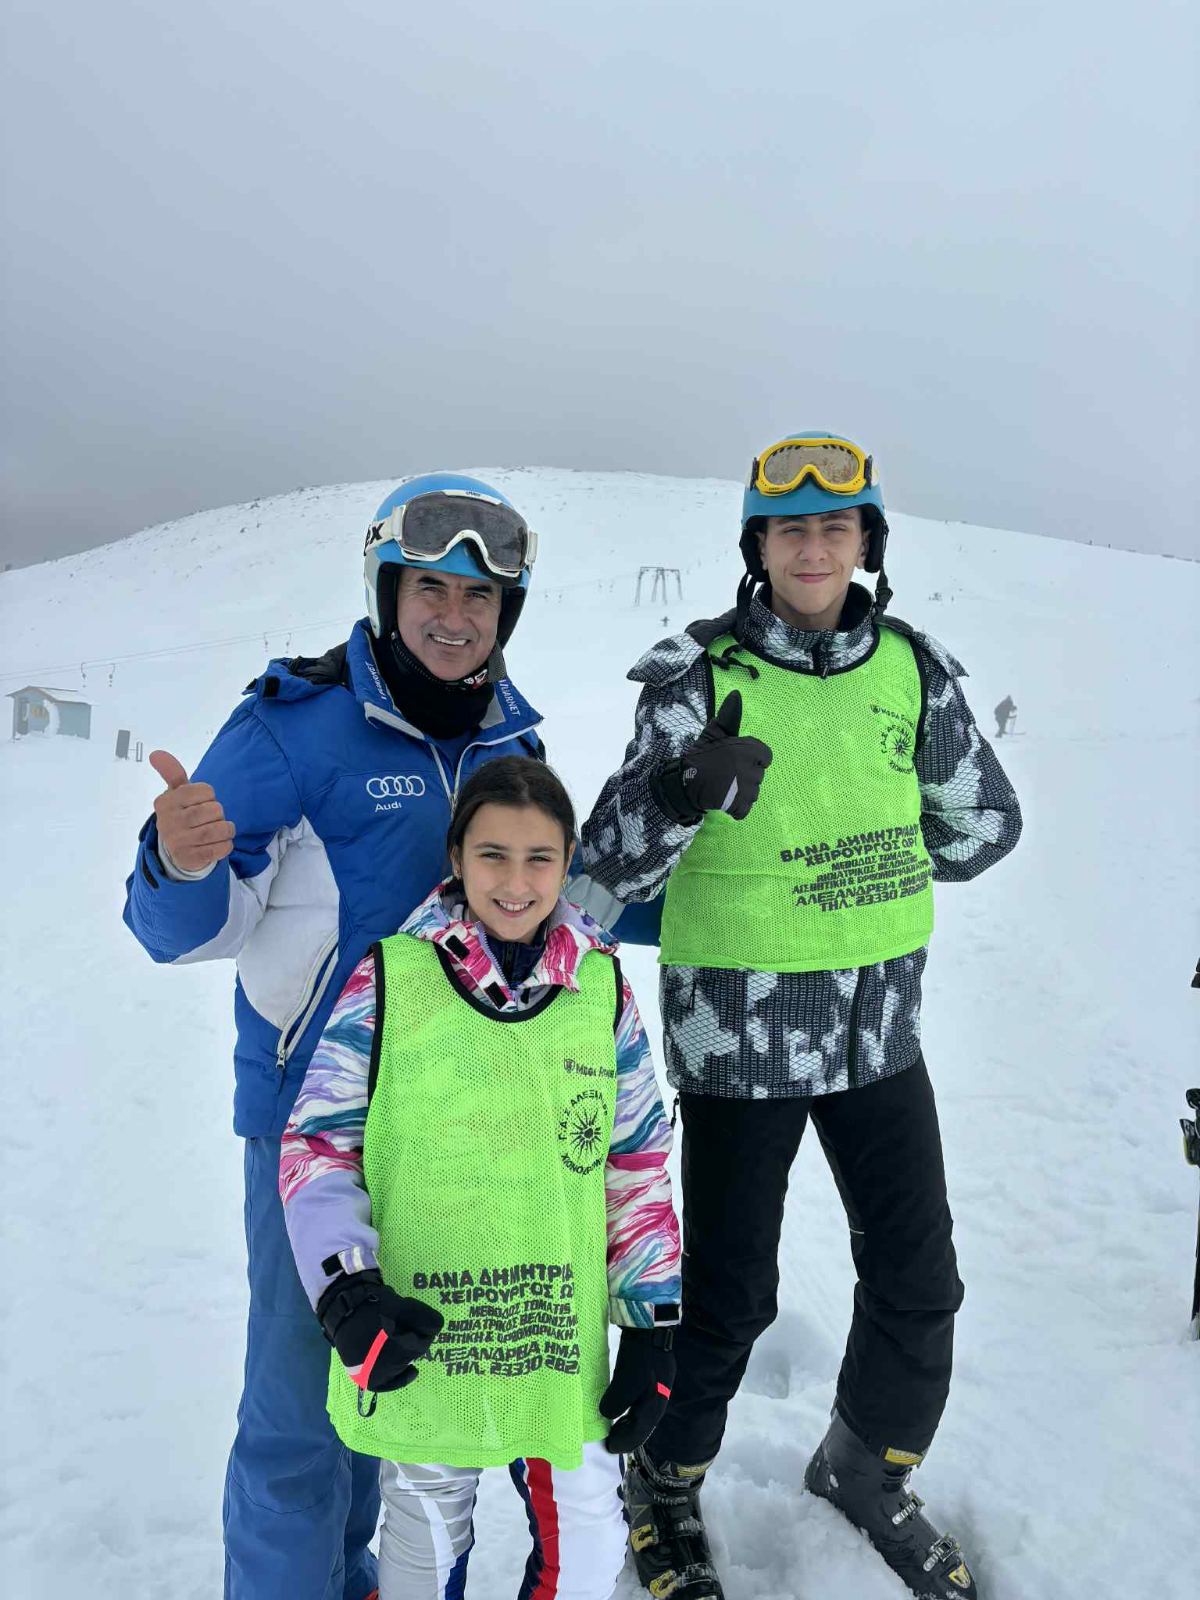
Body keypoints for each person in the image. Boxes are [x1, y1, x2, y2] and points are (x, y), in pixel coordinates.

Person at [575, 433, 1023, 1600]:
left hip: (880, 1032)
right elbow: (603, 869)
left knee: (920, 1280)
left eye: (836, 525)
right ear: (758, 544)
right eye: (790, 527)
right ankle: (664, 1481)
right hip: (740, 1035)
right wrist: (681, 787)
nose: (814, 546)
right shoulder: (697, 676)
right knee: (728, 1299)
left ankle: (866, 1467)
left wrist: (865, 854)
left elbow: (986, 827)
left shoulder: (912, 672)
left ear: (867, 541)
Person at [123, 475, 552, 1600]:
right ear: (386, 592)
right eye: (430, 589)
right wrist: (179, 860)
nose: (454, 615)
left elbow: (551, 914)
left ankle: (356, 1579)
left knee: (393, 1387)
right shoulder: (291, 726)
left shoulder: (513, 738)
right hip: (308, 1124)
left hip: (451, 1132)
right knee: (295, 1419)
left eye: (479, 595)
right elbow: (185, 931)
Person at [280, 755, 681, 1599]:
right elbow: (318, 1144)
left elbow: (636, 1160)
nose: (516, 881)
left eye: (540, 858)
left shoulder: (599, 988)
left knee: (589, 1539)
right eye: (493, 854)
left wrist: (651, 1323)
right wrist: (346, 1289)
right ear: (456, 857)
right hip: (422, 1334)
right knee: (424, 1537)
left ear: (567, 863)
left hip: (554, 1335)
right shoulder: (393, 977)